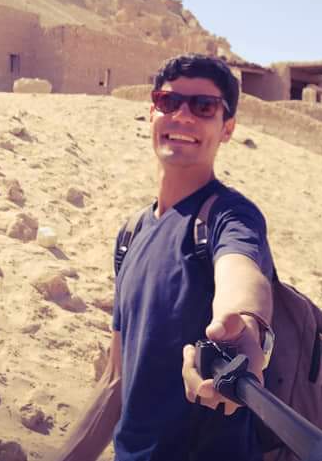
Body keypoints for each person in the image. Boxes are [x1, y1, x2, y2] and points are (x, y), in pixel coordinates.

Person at [55, 54, 275, 461]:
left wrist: (244, 327)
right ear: (151, 112)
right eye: (168, 101)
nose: (183, 116)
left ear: (227, 128)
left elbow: (241, 271)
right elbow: (116, 380)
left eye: (204, 106)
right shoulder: (131, 233)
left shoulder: (230, 215)